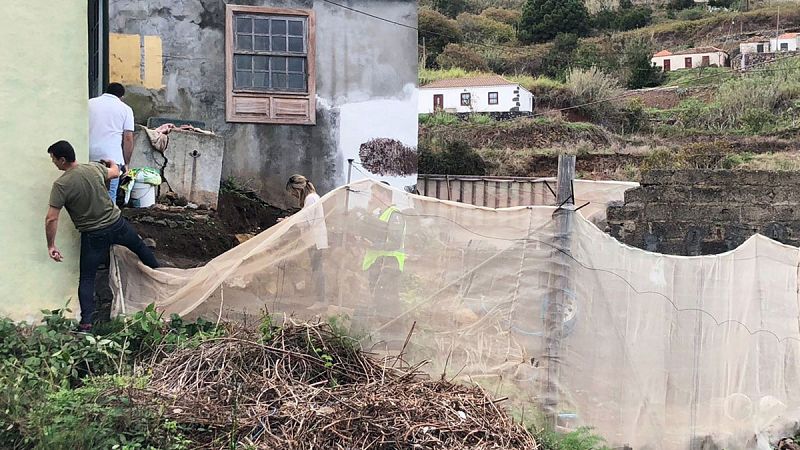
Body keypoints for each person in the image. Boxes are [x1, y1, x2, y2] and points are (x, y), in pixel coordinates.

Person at [45, 140, 159, 330]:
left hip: (93, 235)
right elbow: (116, 172)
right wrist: (111, 162)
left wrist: (51, 245)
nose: (53, 162)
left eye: (53, 159)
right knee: (140, 247)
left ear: (62, 160)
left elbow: (51, 219)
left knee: (87, 277)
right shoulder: (93, 169)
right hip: (117, 224)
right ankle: (161, 278)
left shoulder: (61, 185)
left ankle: (86, 323)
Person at [361, 182, 407, 317]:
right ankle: (386, 333)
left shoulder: (395, 215)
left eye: (374, 194)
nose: (371, 198)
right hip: (378, 263)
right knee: (379, 303)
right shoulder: (380, 214)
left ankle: (394, 334)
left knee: (387, 303)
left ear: (384, 195)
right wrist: (368, 211)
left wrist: (372, 245)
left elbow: (395, 242)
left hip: (389, 264)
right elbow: (365, 230)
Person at [282, 175, 328, 301]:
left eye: (293, 192)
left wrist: (289, 222)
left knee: (317, 270)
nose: (293, 196)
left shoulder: (311, 199)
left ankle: (321, 300)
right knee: (316, 269)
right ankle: (319, 299)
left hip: (315, 240)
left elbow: (307, 221)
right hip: (313, 240)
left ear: (298, 189)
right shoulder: (312, 198)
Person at [88, 82, 135, 202]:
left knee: (90, 193)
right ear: (122, 97)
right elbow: (128, 138)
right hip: (112, 159)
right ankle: (109, 220)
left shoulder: (90, 103)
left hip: (89, 155)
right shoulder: (126, 109)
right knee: (109, 197)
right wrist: (126, 162)